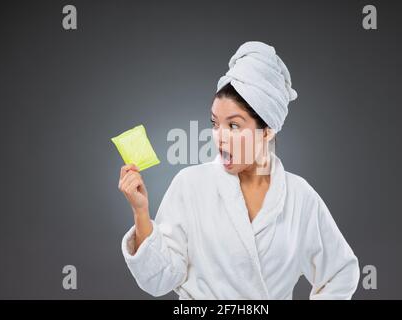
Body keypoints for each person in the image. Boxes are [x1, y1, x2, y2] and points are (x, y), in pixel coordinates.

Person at [119, 41, 360, 299]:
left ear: (267, 131)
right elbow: (160, 280)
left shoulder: (299, 197)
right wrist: (141, 211)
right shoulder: (190, 185)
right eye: (215, 123)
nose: (219, 138)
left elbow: (340, 272)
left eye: (234, 126)